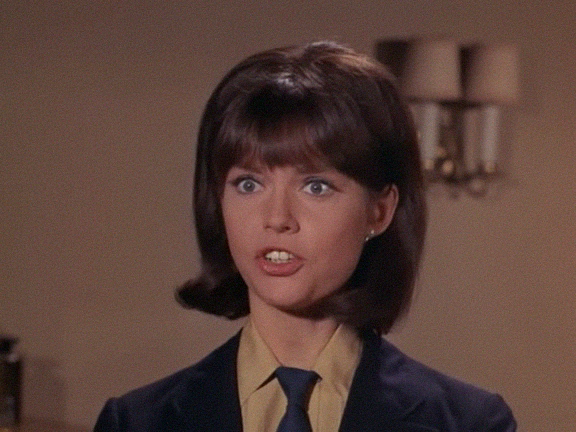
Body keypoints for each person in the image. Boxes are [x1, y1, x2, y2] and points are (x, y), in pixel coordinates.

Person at [94, 41, 516, 431]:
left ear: (379, 211)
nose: (276, 219)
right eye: (248, 184)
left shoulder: (469, 423)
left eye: (316, 186)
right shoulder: (136, 423)